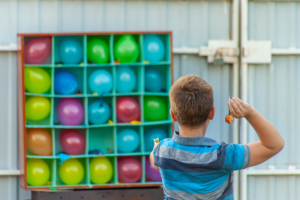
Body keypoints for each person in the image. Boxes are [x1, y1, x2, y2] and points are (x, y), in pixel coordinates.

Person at [150, 75, 284, 200]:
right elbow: (274, 145)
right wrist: (250, 113)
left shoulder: (163, 152)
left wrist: (157, 148)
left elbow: (153, 159)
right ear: (212, 113)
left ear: (173, 115)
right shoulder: (224, 156)